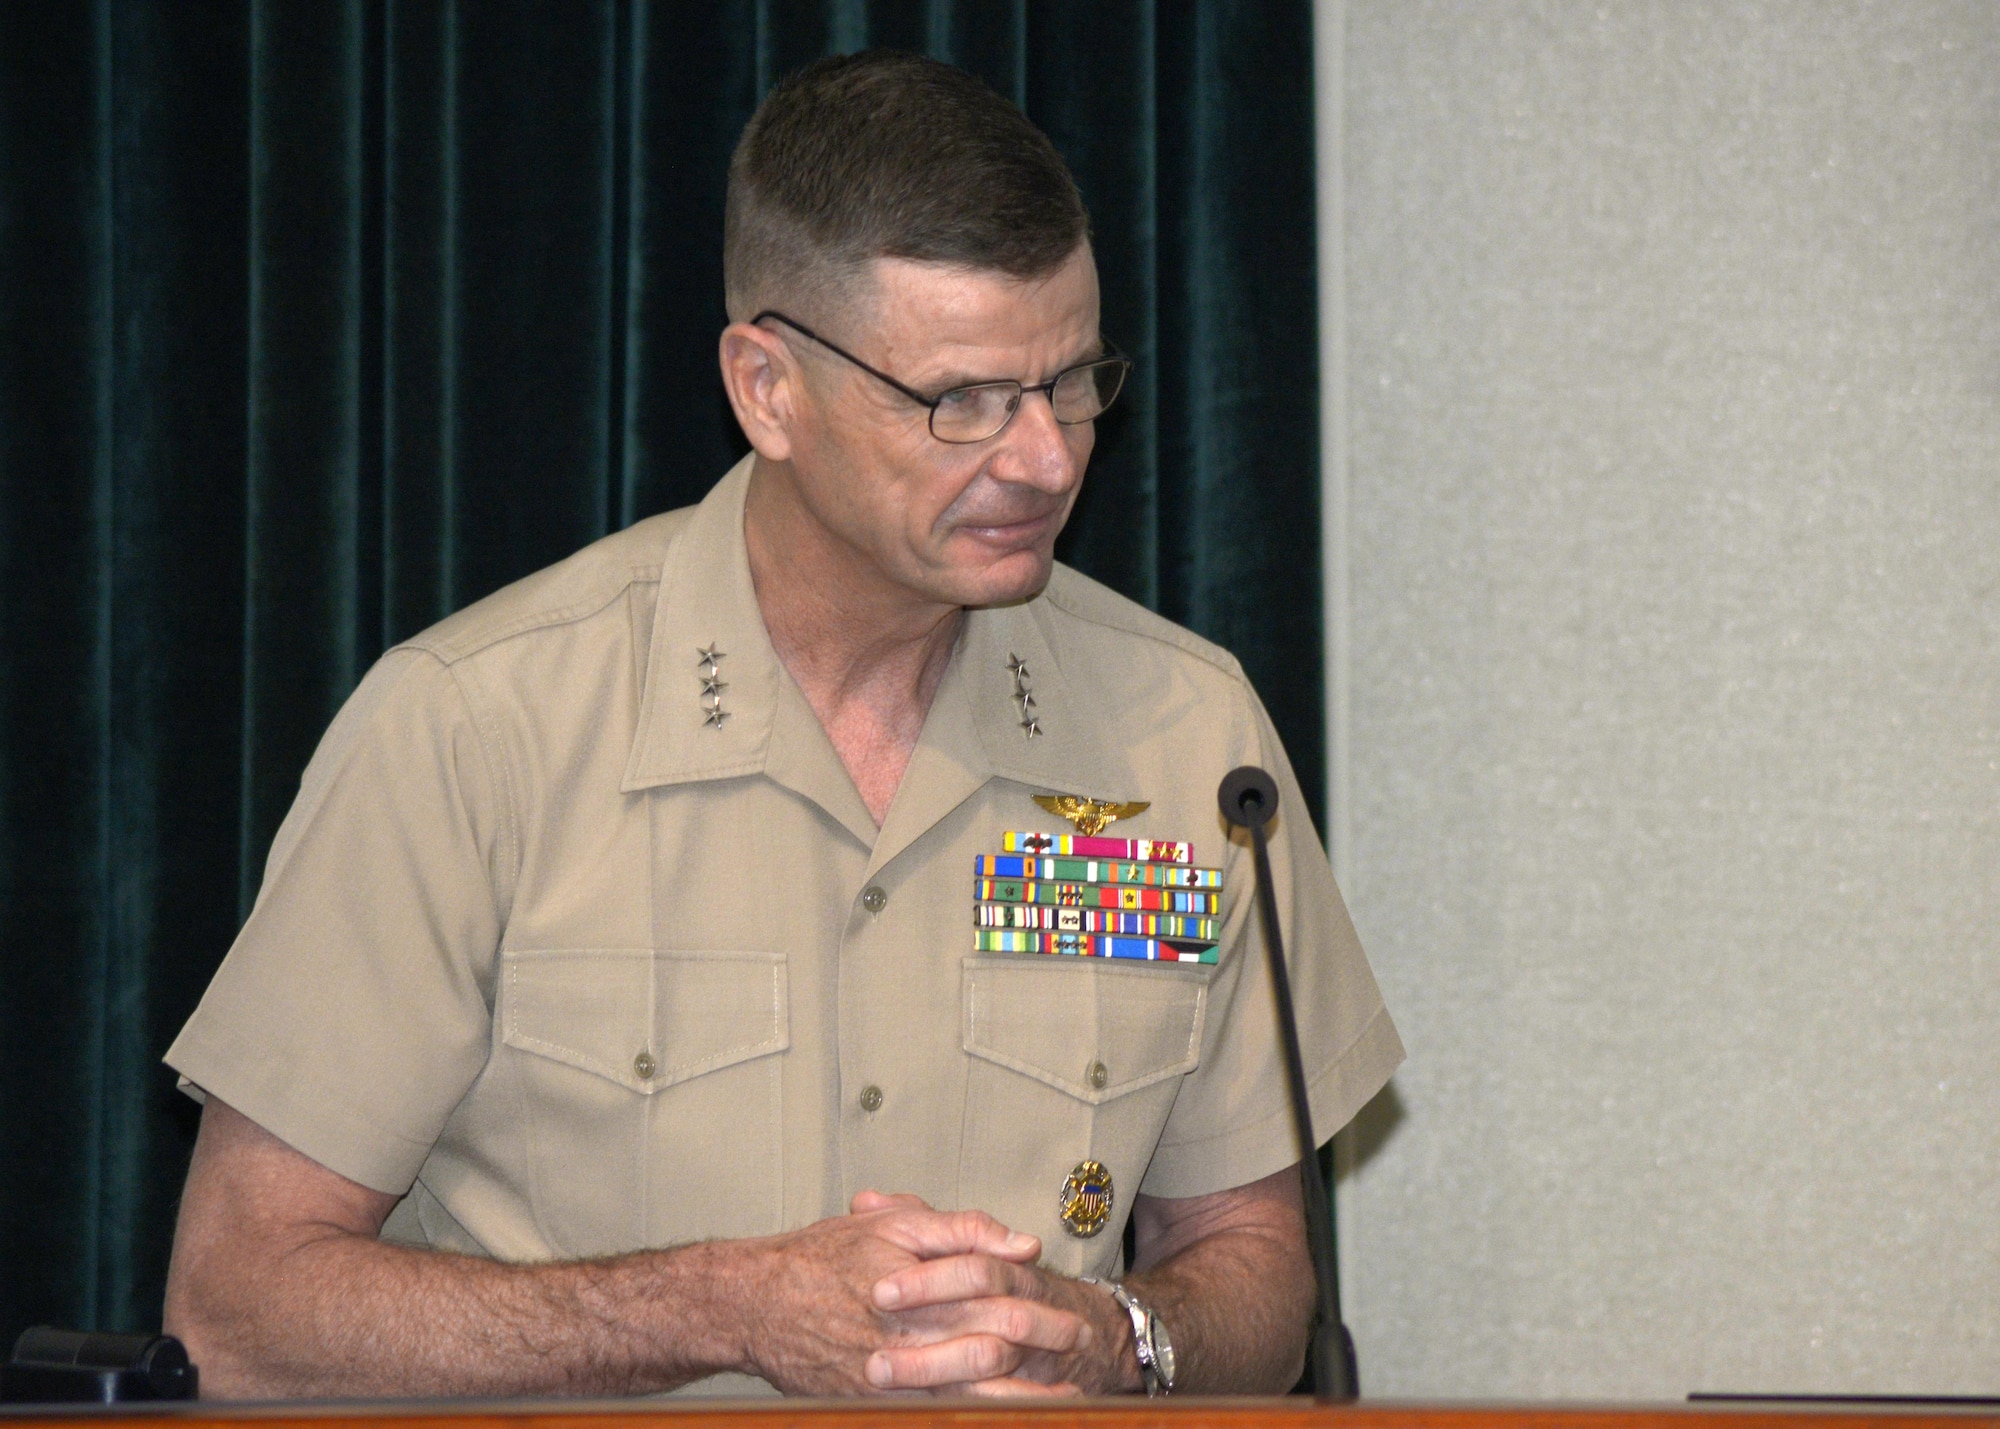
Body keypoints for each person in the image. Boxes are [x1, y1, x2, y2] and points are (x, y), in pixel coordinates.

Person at [161, 50, 1402, 1400]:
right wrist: (712, 1306)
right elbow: (238, 1306)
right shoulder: (476, 729)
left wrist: (1123, 1337)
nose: (1045, 456)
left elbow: (1254, 1256)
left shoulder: (1188, 741)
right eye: (963, 402)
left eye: (1073, 381)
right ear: (767, 388)